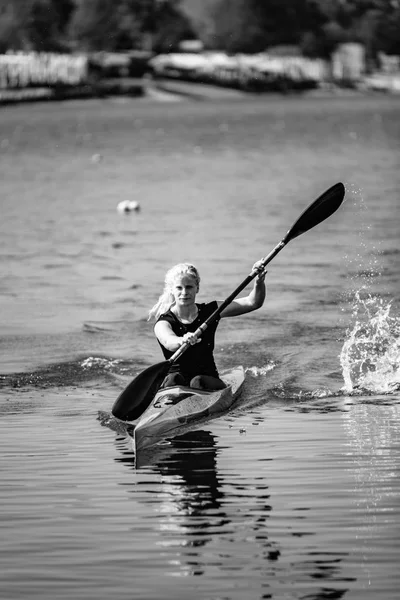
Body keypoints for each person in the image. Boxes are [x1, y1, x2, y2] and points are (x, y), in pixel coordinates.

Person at [148, 261, 267, 391]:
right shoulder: (164, 322)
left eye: (189, 287)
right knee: (173, 379)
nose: (184, 292)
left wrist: (258, 281)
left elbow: (253, 302)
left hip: (208, 381)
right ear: (171, 290)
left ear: (197, 288)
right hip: (175, 384)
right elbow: (168, 341)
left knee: (197, 382)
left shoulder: (211, 312)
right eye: (179, 288)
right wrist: (182, 340)